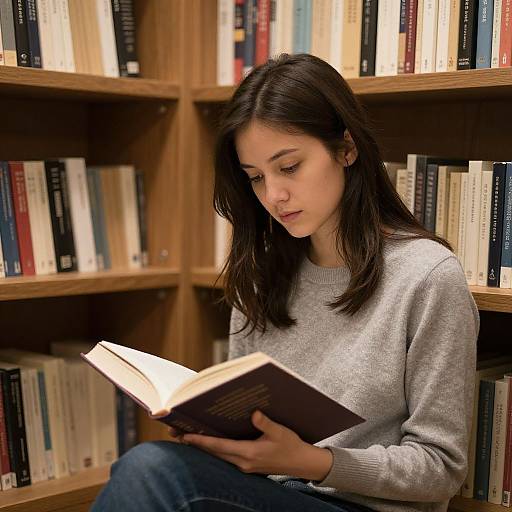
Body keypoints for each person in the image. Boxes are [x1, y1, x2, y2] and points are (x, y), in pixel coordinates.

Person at [91, 53, 478, 512]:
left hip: (359, 506)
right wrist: (214, 436)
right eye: (255, 177)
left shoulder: (427, 277)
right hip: (268, 494)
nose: (273, 195)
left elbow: (441, 469)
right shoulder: (262, 274)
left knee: (152, 471)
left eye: (289, 167)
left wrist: (312, 462)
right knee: (150, 466)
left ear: (347, 148)